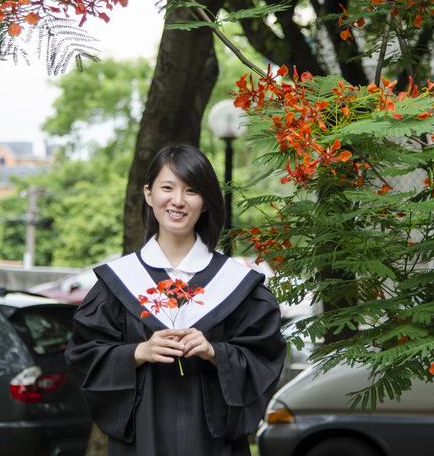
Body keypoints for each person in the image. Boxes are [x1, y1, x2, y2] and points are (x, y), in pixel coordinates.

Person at [65, 144, 286, 456]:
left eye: (192, 190)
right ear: (148, 194)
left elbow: (264, 359)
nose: (178, 201)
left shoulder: (236, 284)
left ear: (205, 201)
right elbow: (84, 356)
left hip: (212, 443)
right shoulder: (119, 282)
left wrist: (216, 352)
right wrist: (138, 352)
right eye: (167, 188)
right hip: (141, 440)